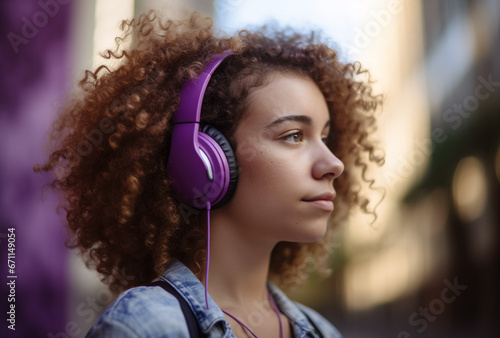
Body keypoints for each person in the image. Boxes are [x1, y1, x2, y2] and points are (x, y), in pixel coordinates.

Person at [35, 8, 383, 338]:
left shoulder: (321, 330)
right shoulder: (145, 326)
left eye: (324, 138)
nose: (334, 164)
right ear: (203, 160)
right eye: (293, 135)